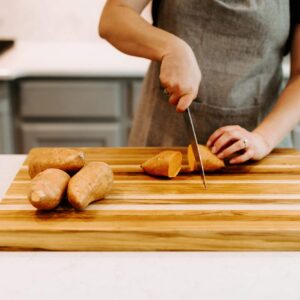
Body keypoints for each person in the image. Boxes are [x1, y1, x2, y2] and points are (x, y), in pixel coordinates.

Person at [99, 0, 300, 164]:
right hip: (162, 140)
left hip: (259, 146)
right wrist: (170, 47)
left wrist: (263, 139)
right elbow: (113, 17)